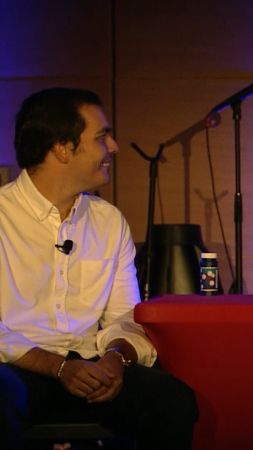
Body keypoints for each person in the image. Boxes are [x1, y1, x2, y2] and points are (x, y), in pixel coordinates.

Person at [0, 88, 198, 449]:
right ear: (62, 148)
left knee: (173, 402)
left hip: (90, 367)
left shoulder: (108, 222)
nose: (115, 146)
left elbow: (125, 315)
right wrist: (57, 368)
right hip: (17, 369)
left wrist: (116, 358)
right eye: (101, 136)